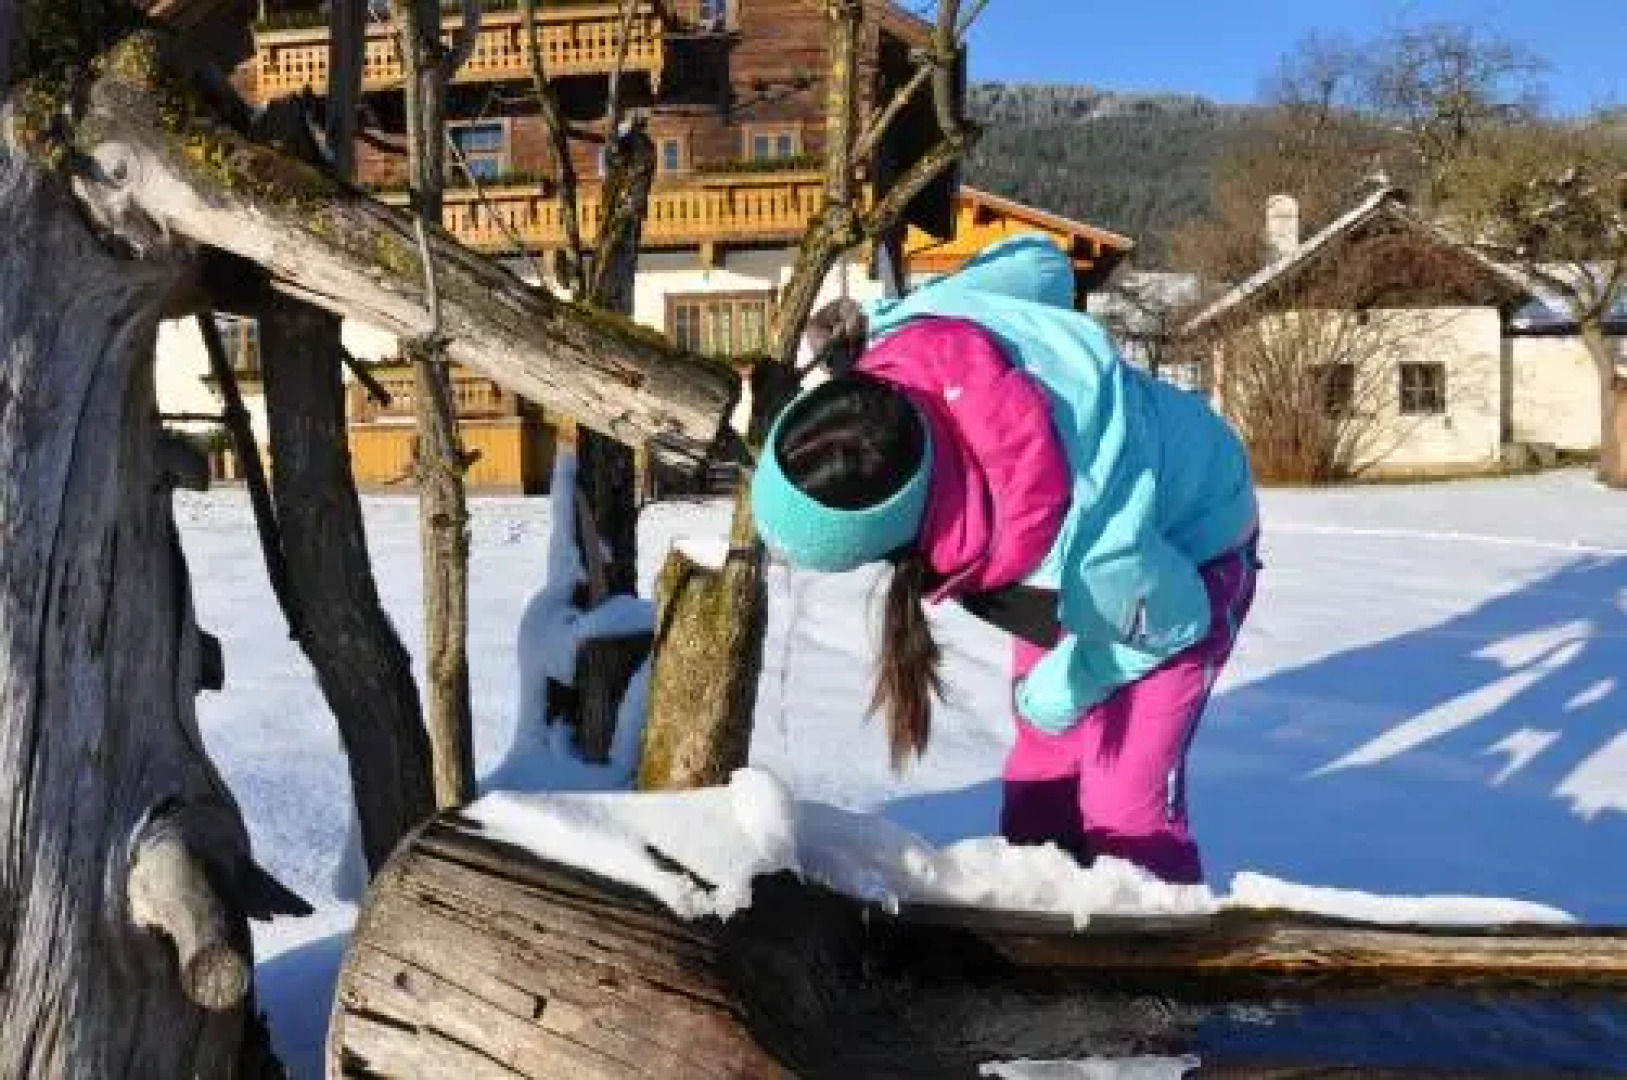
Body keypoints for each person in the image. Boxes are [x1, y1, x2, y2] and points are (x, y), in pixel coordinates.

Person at [750, 234, 1260, 885]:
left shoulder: (1087, 552)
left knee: (1123, 808)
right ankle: (1039, 913)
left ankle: (1154, 941)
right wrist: (883, 318)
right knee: (1040, 776)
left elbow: (1177, 619)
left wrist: (1070, 682)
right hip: (1075, 542)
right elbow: (1042, 266)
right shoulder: (916, 340)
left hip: (1192, 552)